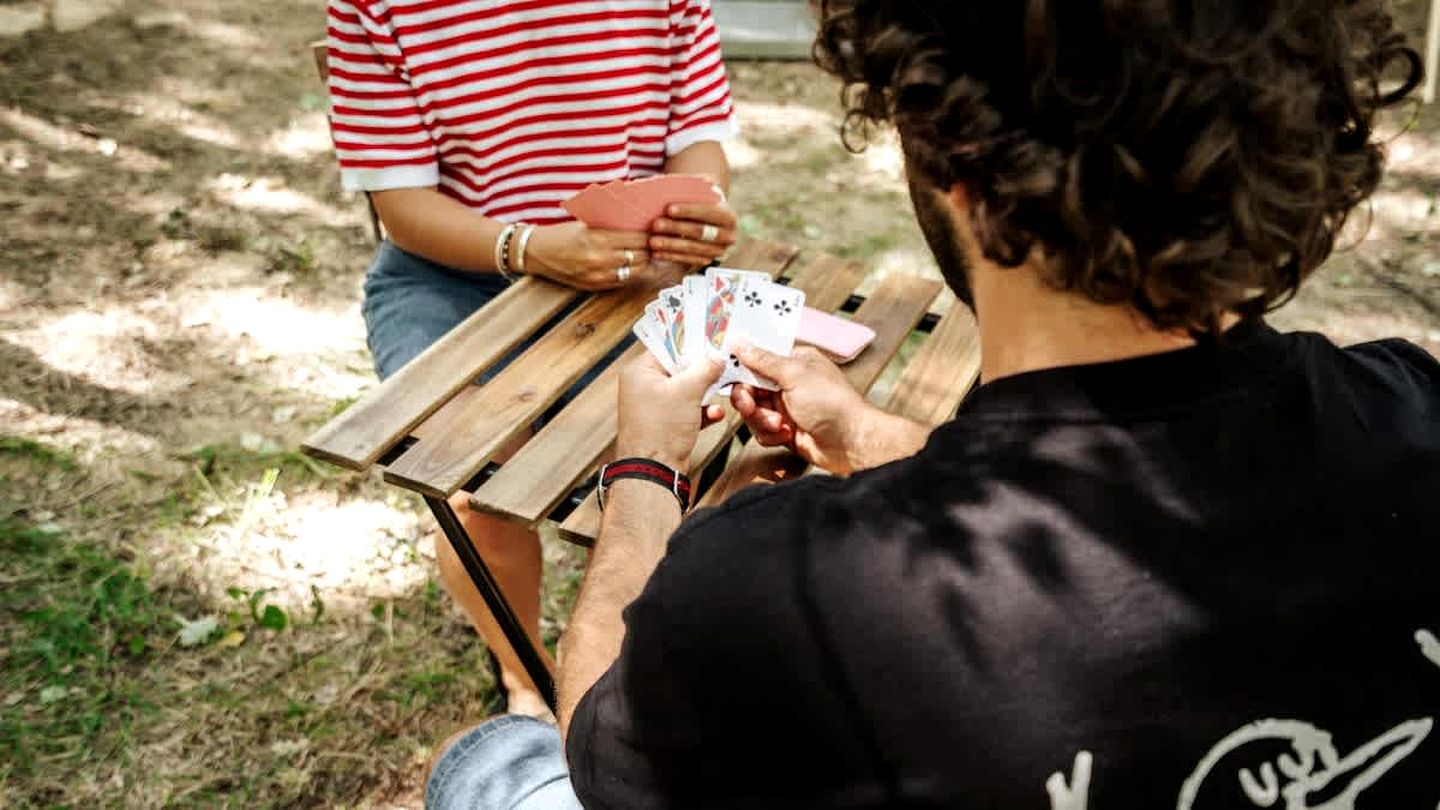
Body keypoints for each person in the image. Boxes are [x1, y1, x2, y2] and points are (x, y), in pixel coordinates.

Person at [427, 0, 1440, 807]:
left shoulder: (778, 587)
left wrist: (646, 467)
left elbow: (604, 742)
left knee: (498, 767)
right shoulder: (1415, 410)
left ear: (956, 168)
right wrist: (875, 439)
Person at [325, 0, 741, 719]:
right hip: (449, 279)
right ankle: (529, 679)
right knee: (470, 474)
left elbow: (699, 138)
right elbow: (401, 206)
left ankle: (668, 653)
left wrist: (697, 210)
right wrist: (528, 247)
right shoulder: (374, 8)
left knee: (704, 446)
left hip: (632, 266)